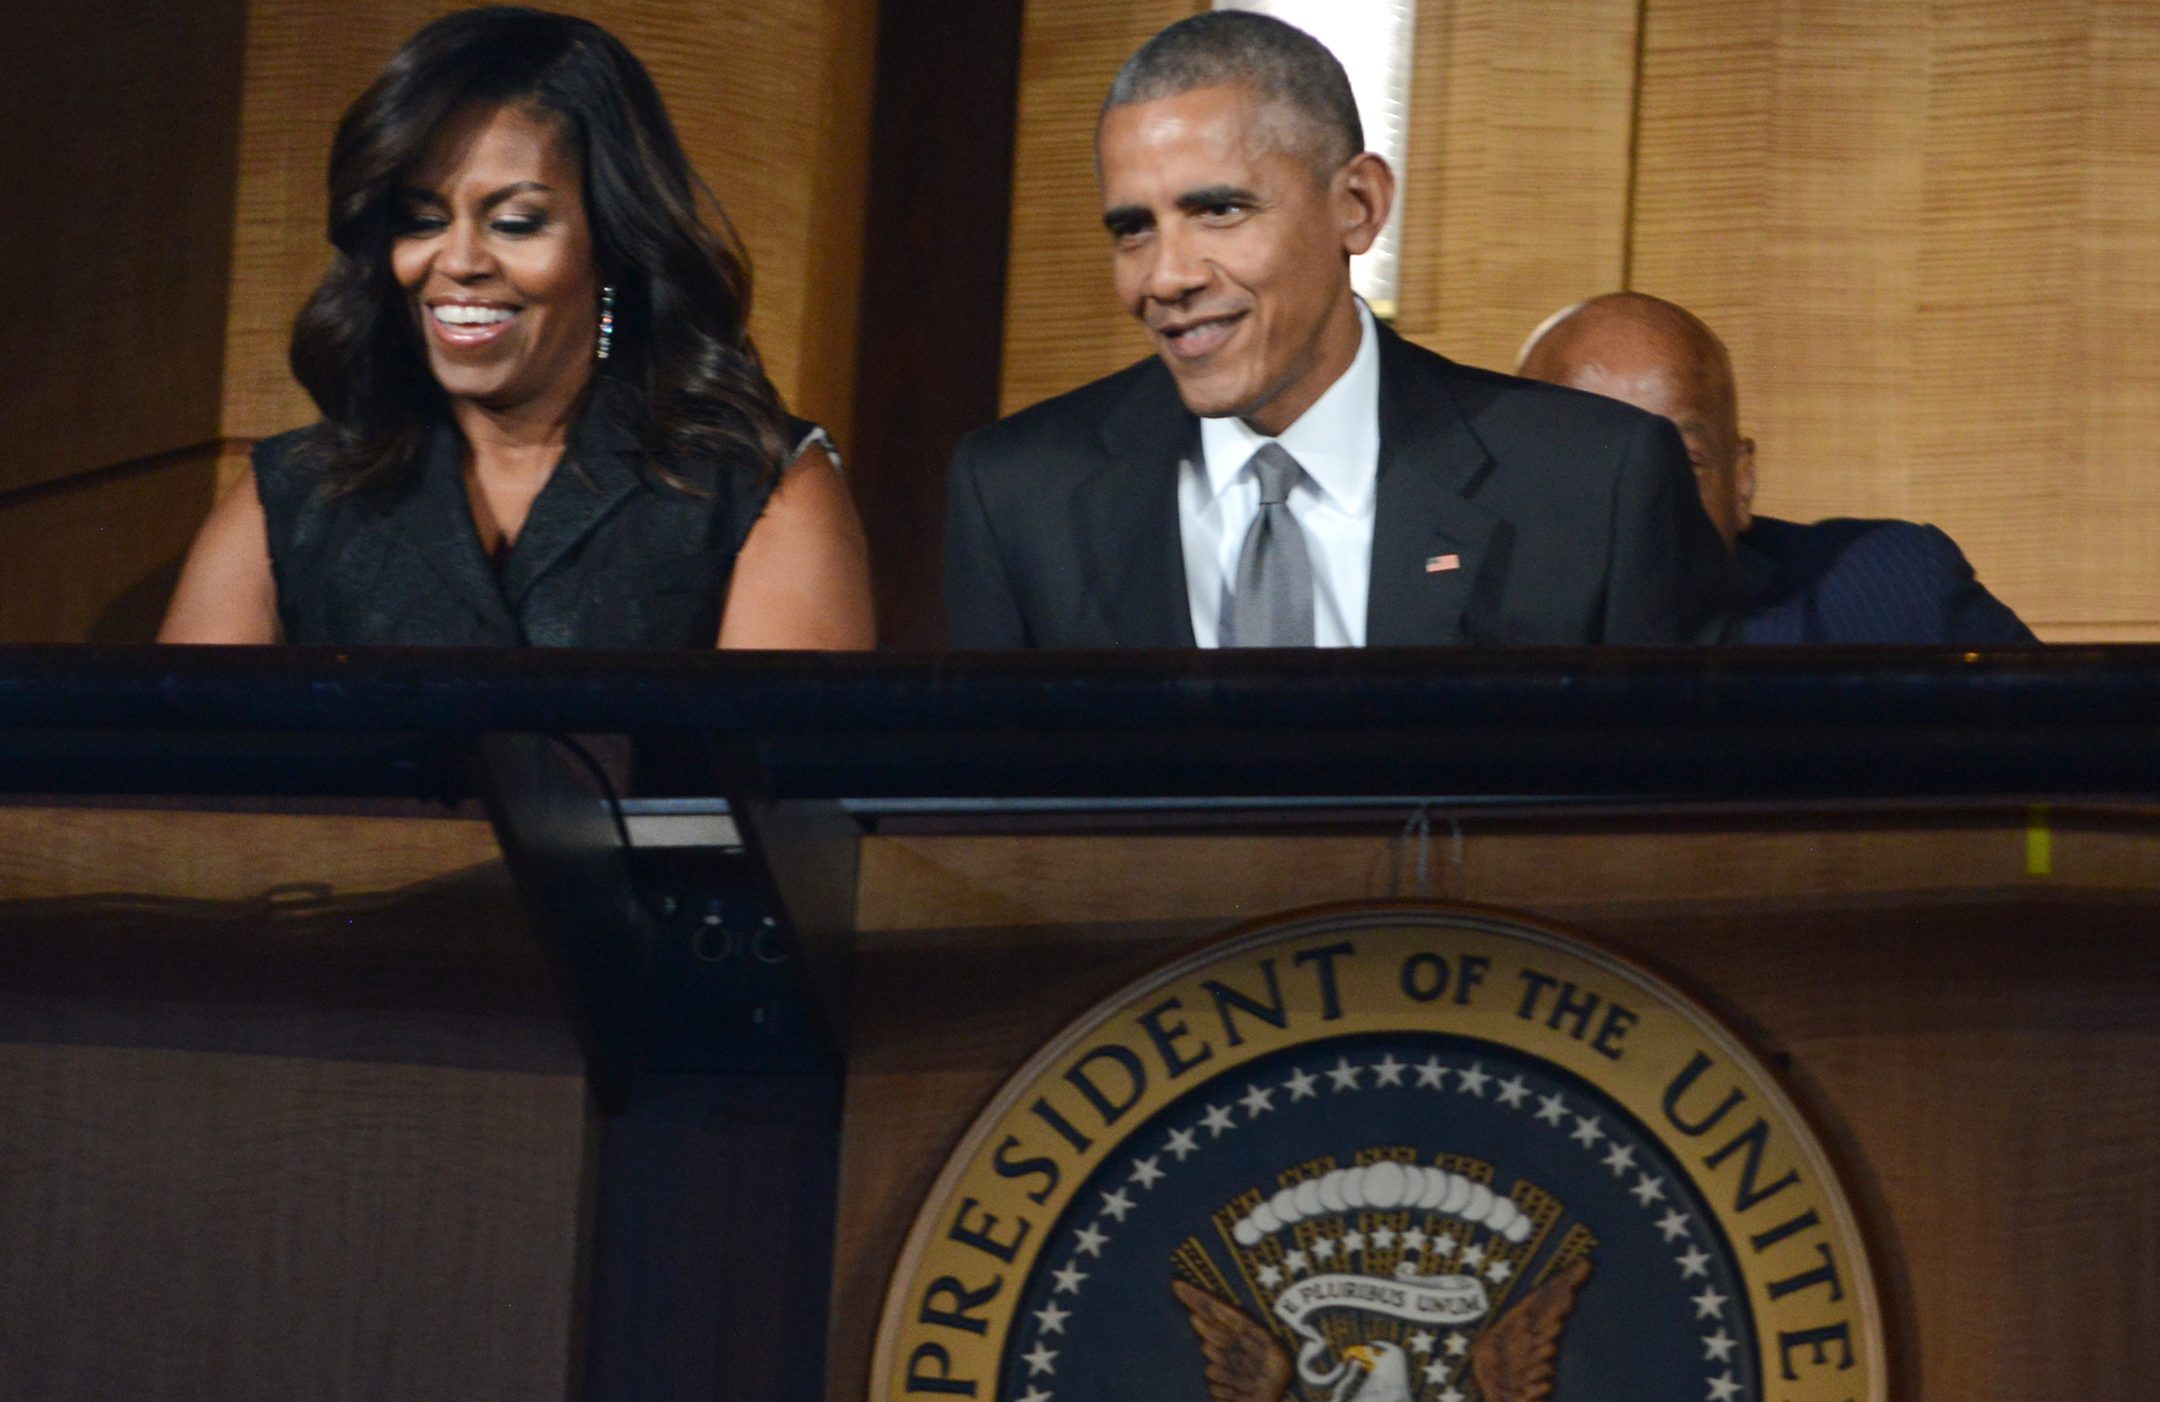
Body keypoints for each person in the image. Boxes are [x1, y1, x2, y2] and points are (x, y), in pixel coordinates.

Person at [943, 11, 1731, 649]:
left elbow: (1679, 827)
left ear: (1357, 205)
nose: (1164, 277)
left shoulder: (1597, 484)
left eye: (1219, 210)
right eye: (1132, 229)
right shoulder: (1018, 495)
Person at [161, 7, 873, 649]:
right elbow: (177, 779)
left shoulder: (754, 481)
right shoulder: (293, 494)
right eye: (422, 220)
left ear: (614, 240)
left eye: (515, 223)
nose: (460, 261)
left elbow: (782, 786)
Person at [1517, 292, 2036, 644]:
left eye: (1678, 464)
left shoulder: (1891, 599)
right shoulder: (1457, 625)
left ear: (1740, 482)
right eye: (1587, 467)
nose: (1633, 503)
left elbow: (2088, 781)